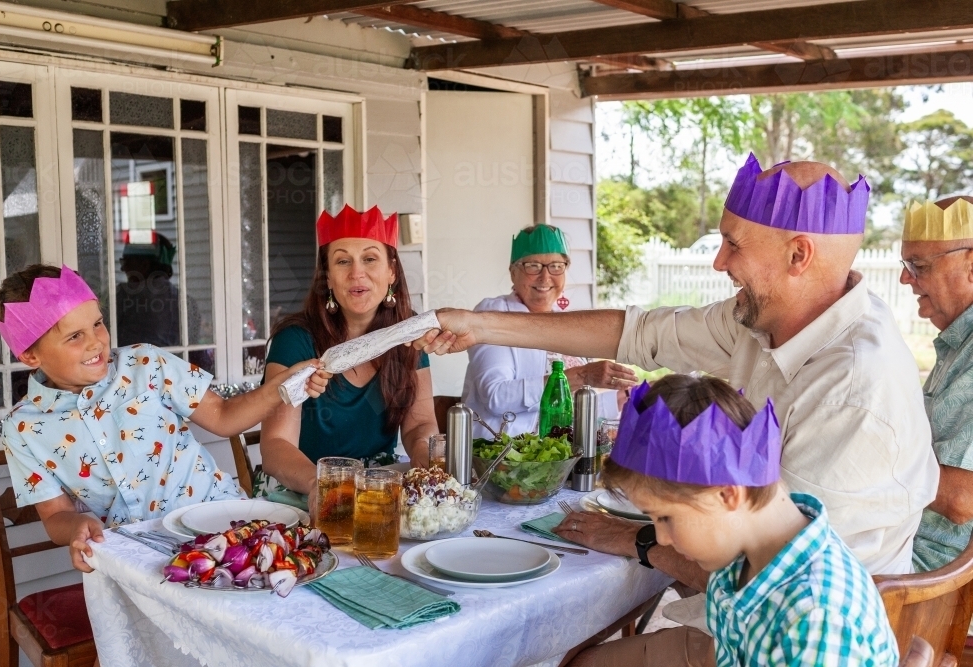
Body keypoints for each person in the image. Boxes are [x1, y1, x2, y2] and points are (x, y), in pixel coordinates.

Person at [413, 154, 938, 662]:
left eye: (733, 244)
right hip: (740, 622)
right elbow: (642, 333)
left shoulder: (853, 391)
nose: (719, 261)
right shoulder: (773, 313)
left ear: (798, 255)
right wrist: (480, 326)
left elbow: (759, 563)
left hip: (783, 636)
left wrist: (641, 540)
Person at [0, 264, 329, 573]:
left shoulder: (146, 364)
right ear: (31, 355)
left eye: (97, 323)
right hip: (143, 554)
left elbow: (225, 418)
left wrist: (278, 387)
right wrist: (77, 527)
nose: (96, 342)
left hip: (225, 525)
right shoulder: (22, 429)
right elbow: (55, 517)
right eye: (74, 336)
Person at [570, 375, 898, 667]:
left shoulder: (816, 621)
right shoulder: (745, 556)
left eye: (665, 517)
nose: (663, 537)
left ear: (727, 495)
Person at [260, 204, 439, 512]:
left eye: (370, 259)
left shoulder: (409, 334)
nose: (357, 273)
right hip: (303, 490)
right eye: (343, 261)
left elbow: (419, 424)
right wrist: (323, 486)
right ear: (328, 278)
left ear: (391, 271)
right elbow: (277, 445)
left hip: (378, 488)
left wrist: (427, 467)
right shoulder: (295, 340)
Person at [462, 224, 636, 438]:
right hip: (500, 458)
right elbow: (496, 398)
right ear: (513, 272)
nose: (545, 278)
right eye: (533, 266)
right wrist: (582, 375)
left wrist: (622, 397)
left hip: (555, 459)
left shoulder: (566, 322)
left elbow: (563, 411)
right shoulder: (493, 315)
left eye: (555, 266)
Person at [900, 196, 973, 572]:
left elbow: (962, 500)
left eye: (919, 266)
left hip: (936, 586)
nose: (904, 278)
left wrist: (871, 455)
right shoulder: (958, 342)